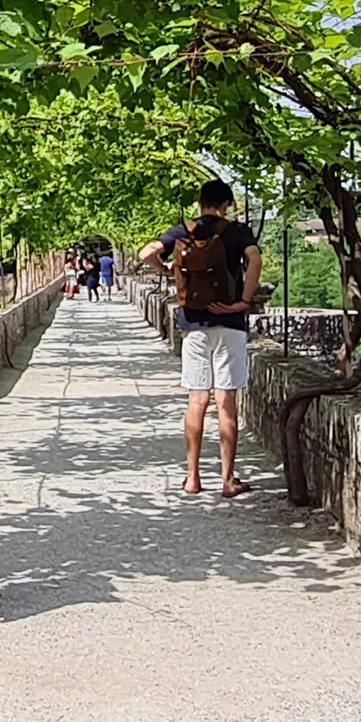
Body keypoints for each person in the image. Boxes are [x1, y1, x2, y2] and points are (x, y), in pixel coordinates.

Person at [139, 179, 262, 498]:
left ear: (200, 203)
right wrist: (244, 300)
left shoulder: (183, 231)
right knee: (226, 400)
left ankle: (192, 478)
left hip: (193, 322)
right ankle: (228, 480)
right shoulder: (237, 231)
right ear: (226, 204)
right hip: (230, 322)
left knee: (198, 399)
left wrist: (168, 270)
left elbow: (146, 253)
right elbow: (255, 261)